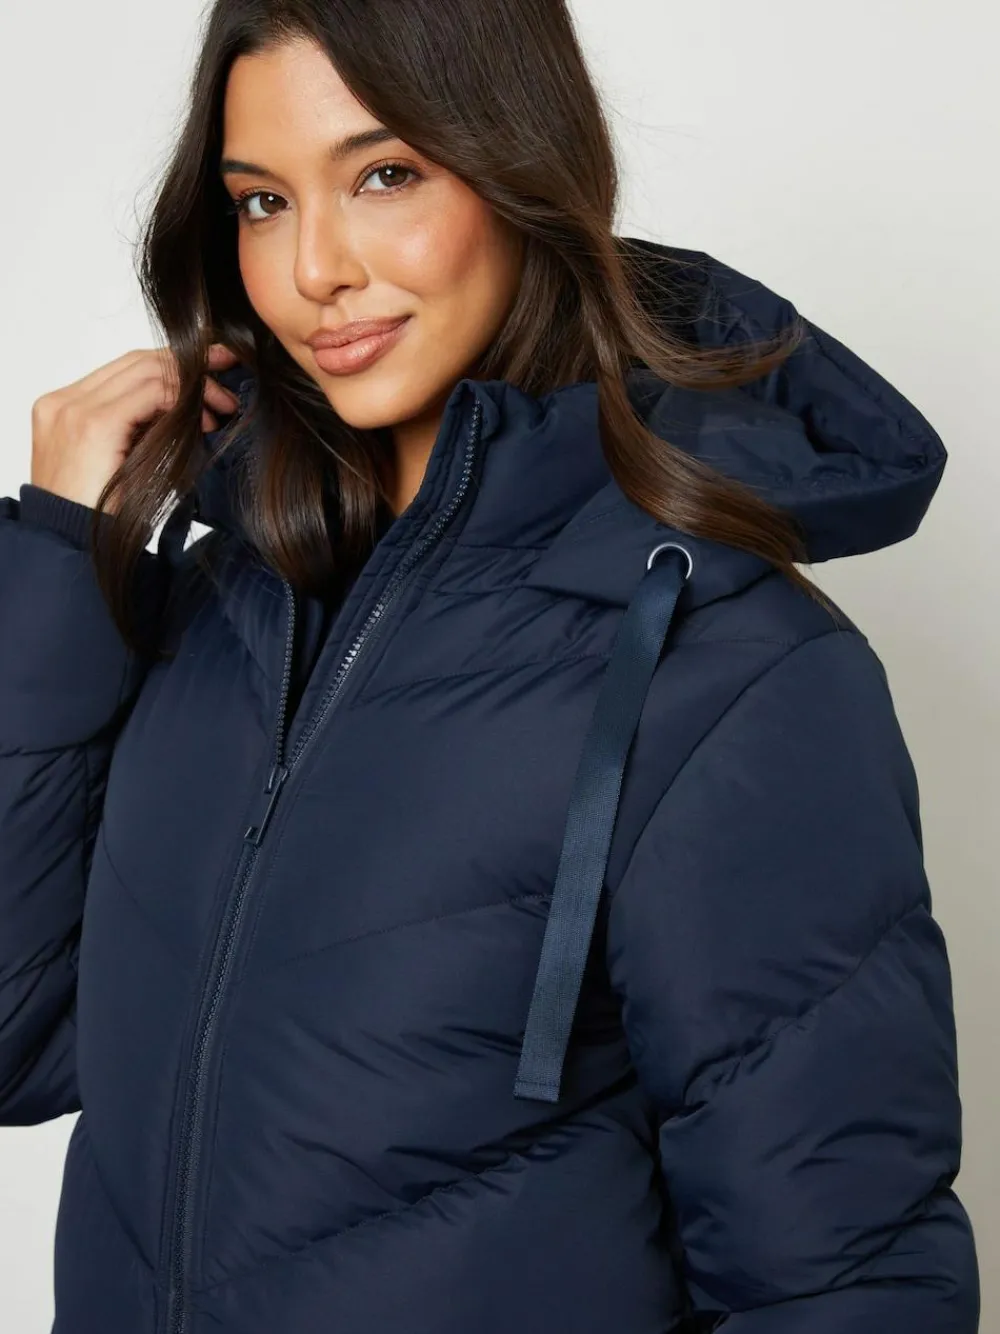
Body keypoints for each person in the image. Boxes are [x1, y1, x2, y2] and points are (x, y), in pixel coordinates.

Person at [0, 2, 980, 1331]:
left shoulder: (727, 672)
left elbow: (841, 1284)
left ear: (523, 168)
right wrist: (63, 556)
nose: (314, 269)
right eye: (263, 202)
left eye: (385, 175)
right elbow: (17, 1035)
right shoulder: (217, 614)